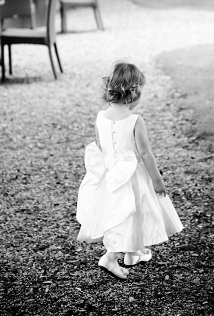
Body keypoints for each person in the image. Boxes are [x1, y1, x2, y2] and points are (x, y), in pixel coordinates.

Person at [76, 62, 183, 279]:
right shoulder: (135, 120)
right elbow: (145, 154)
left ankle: (134, 253)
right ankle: (111, 257)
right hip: (132, 176)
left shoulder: (100, 117)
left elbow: (101, 146)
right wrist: (157, 180)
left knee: (123, 213)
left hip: (111, 175)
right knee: (131, 214)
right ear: (134, 93)